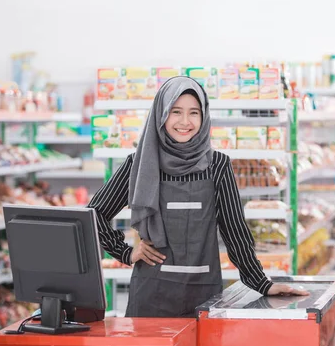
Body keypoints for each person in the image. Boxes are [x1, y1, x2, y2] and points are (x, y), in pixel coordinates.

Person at [88, 76, 308, 317]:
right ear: (161, 114)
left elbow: (234, 230)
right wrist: (125, 252)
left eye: (194, 112)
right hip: (151, 297)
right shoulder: (138, 165)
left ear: (204, 117)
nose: (185, 121)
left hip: (203, 296)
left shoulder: (218, 165)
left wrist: (262, 283)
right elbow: (94, 214)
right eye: (175, 112)